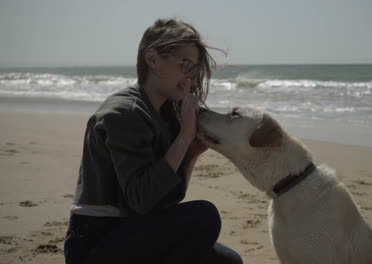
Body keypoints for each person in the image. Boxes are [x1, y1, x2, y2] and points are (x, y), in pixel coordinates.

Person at [64, 18, 243, 264]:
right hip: (96, 240)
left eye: (195, 69)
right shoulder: (124, 112)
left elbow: (167, 199)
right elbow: (142, 200)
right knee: (204, 216)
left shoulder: (166, 113)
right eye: (185, 65)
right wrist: (183, 137)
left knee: (228, 261)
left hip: (133, 232)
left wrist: (190, 154)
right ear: (153, 59)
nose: (190, 77)